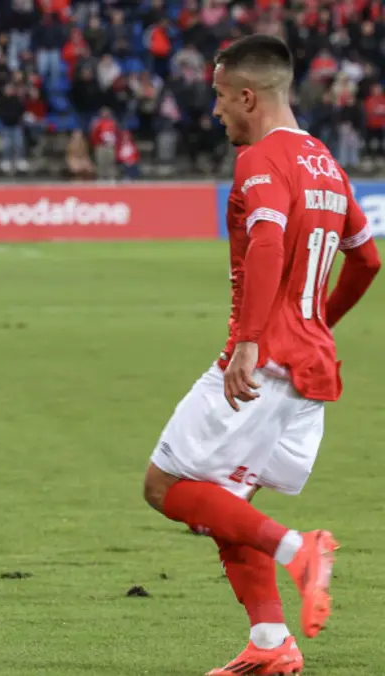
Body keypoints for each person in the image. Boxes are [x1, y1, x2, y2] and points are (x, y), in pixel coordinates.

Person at [141, 35, 380, 675]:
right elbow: (368, 257)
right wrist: (316, 320)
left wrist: (250, 340)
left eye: (220, 97)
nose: (215, 110)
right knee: (225, 504)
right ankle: (271, 646)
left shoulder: (260, 158)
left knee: (165, 486)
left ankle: (300, 550)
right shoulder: (324, 161)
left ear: (248, 96)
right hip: (309, 364)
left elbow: (269, 240)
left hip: (264, 359)